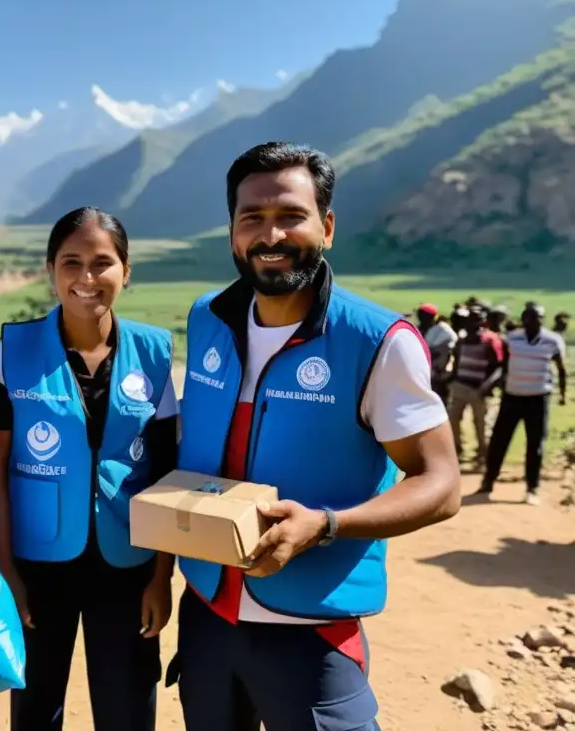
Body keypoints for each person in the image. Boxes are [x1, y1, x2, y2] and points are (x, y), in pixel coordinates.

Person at [170, 142, 462, 731]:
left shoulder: (379, 340)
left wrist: (326, 525)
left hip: (309, 630)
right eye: (252, 217)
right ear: (231, 231)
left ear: (326, 227)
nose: (270, 236)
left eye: (291, 217)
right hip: (204, 610)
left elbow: (442, 482)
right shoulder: (208, 318)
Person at [0, 207, 178, 731]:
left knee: (129, 709)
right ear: (51, 269)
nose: (87, 278)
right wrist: (7, 573)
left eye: (102, 262)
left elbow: (166, 472)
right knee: (35, 709)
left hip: (128, 567)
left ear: (126, 270)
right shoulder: (13, 352)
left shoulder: (155, 354)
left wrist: (162, 578)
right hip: (38, 567)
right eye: (72, 262)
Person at [479, 303, 567, 505]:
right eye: (528, 317)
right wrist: (492, 383)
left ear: (541, 320)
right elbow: (504, 365)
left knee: (535, 444)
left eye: (536, 318)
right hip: (512, 396)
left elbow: (560, 367)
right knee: (499, 441)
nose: (532, 321)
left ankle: (532, 488)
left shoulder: (552, 340)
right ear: (523, 318)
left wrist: (562, 394)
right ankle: (488, 481)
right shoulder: (513, 338)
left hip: (538, 398)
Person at [447, 306, 503, 466]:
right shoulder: (463, 338)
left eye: (476, 318)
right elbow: (457, 360)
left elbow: (497, 365)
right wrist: (452, 378)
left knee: (481, 423)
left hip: (479, 388)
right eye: (470, 318)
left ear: (482, 321)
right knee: (453, 419)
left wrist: (488, 386)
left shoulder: (490, 339)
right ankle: (457, 450)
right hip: (460, 385)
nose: (472, 322)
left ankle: (483, 454)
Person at [416, 304, 456, 403]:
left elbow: (446, 351)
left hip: (438, 372)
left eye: (424, 316)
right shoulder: (418, 329)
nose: (421, 318)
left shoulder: (443, 331)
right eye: (420, 315)